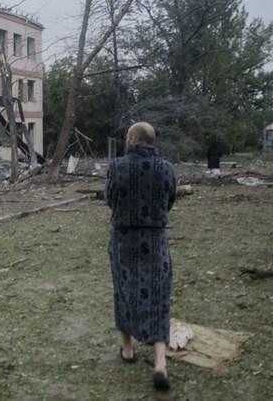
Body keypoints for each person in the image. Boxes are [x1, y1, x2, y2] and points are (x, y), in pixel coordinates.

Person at [105, 122, 177, 391]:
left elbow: (110, 199)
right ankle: (160, 362)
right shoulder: (167, 168)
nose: (125, 139)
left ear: (134, 139)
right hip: (155, 240)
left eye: (127, 136)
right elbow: (170, 201)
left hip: (124, 239)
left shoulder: (117, 166)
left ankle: (127, 348)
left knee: (124, 291)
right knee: (158, 295)